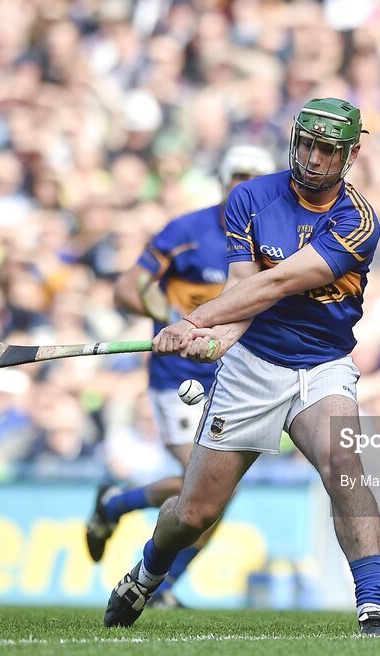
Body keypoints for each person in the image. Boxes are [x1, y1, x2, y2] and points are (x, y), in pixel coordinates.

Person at [103, 98, 380, 635]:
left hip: (322, 365)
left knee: (343, 463)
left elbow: (279, 282)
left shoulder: (357, 221)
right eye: (306, 144)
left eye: (327, 150)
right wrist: (212, 336)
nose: (312, 158)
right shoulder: (251, 198)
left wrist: (191, 320)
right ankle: (146, 574)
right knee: (193, 515)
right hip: (253, 366)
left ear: (351, 154)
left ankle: (373, 608)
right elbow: (244, 292)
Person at [85, 145, 276, 608]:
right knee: (200, 482)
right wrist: (171, 316)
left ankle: (154, 574)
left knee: (217, 495)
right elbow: (128, 288)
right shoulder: (186, 231)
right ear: (223, 181)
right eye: (238, 176)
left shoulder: (275, 243)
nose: (244, 186)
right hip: (179, 378)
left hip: (233, 378)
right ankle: (120, 515)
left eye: (254, 179)